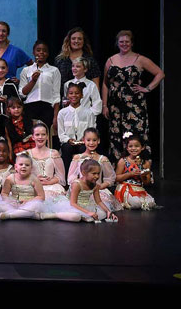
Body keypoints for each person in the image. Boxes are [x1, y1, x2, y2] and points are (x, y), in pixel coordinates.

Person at [102, 30, 164, 161]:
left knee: (135, 137)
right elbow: (105, 84)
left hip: (135, 106)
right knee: (116, 136)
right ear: (117, 43)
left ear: (131, 43)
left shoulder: (139, 59)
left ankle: (139, 171)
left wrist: (147, 88)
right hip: (115, 106)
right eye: (121, 42)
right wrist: (104, 105)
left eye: (127, 42)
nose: (124, 44)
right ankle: (118, 172)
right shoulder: (111, 60)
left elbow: (160, 73)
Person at [42, 158, 117, 223]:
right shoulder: (77, 184)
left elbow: (99, 201)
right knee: (75, 217)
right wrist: (88, 212)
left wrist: (108, 211)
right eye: (94, 173)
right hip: (73, 206)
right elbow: (73, 203)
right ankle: (53, 215)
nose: (97, 176)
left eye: (98, 174)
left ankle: (85, 217)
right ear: (84, 173)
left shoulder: (96, 185)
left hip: (86, 205)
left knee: (102, 214)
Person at [66, 128, 122, 212]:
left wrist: (101, 186)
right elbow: (71, 176)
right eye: (88, 140)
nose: (91, 143)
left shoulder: (102, 159)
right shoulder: (78, 157)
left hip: (97, 190)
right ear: (83, 140)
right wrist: (79, 185)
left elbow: (110, 177)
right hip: (81, 190)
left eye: (94, 140)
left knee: (101, 206)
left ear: (98, 141)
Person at [18, 41, 61, 132]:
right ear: (34, 52)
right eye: (38, 50)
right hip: (30, 107)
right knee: (31, 135)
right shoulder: (26, 70)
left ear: (48, 53)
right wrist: (33, 80)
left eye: (44, 50)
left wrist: (56, 116)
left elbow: (56, 95)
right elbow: (22, 93)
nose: (41, 52)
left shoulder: (54, 70)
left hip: (47, 108)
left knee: (45, 135)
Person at [57, 83, 100, 172]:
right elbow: (61, 134)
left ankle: (83, 174)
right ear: (67, 95)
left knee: (83, 149)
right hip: (68, 143)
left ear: (81, 95)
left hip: (84, 143)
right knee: (66, 148)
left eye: (77, 93)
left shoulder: (89, 113)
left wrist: (84, 140)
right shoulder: (62, 113)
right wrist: (69, 140)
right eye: (71, 93)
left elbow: (92, 130)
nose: (74, 95)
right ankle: (67, 177)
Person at [23, 122, 66, 198]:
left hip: (52, 186)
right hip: (33, 186)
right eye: (37, 135)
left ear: (47, 136)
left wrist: (49, 182)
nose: (40, 137)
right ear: (32, 137)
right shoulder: (27, 154)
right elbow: (22, 175)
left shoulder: (54, 153)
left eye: (43, 134)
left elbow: (60, 177)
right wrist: (34, 180)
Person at [114, 132, 156, 210]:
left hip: (139, 188)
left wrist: (142, 175)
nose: (133, 148)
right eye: (130, 146)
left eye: (136, 146)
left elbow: (147, 182)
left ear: (142, 147)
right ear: (127, 148)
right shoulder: (123, 161)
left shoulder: (146, 163)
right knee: (136, 203)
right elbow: (116, 178)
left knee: (150, 203)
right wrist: (130, 174)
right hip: (126, 188)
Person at [0, 154, 45, 220]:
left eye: (27, 165)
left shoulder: (34, 179)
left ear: (31, 168)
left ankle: (11, 215)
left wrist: (28, 201)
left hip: (29, 203)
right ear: (16, 167)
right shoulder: (10, 178)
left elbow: (41, 196)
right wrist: (10, 201)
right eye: (21, 164)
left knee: (37, 206)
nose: (24, 166)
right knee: (1, 206)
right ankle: (23, 214)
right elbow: (4, 193)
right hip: (14, 204)